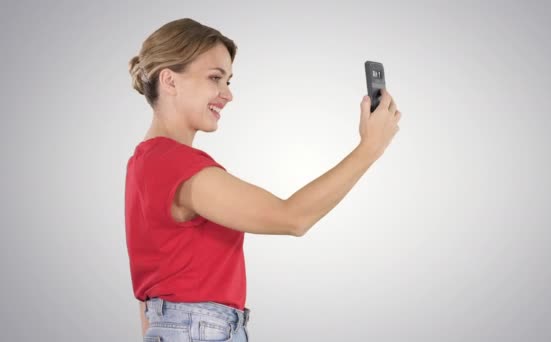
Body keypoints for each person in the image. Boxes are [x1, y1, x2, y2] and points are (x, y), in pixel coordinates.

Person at [124, 17, 402, 342]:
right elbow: (292, 218)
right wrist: (370, 148)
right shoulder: (174, 164)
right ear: (169, 80)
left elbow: (149, 301)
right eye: (215, 78)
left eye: (228, 80)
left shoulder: (144, 162)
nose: (227, 94)